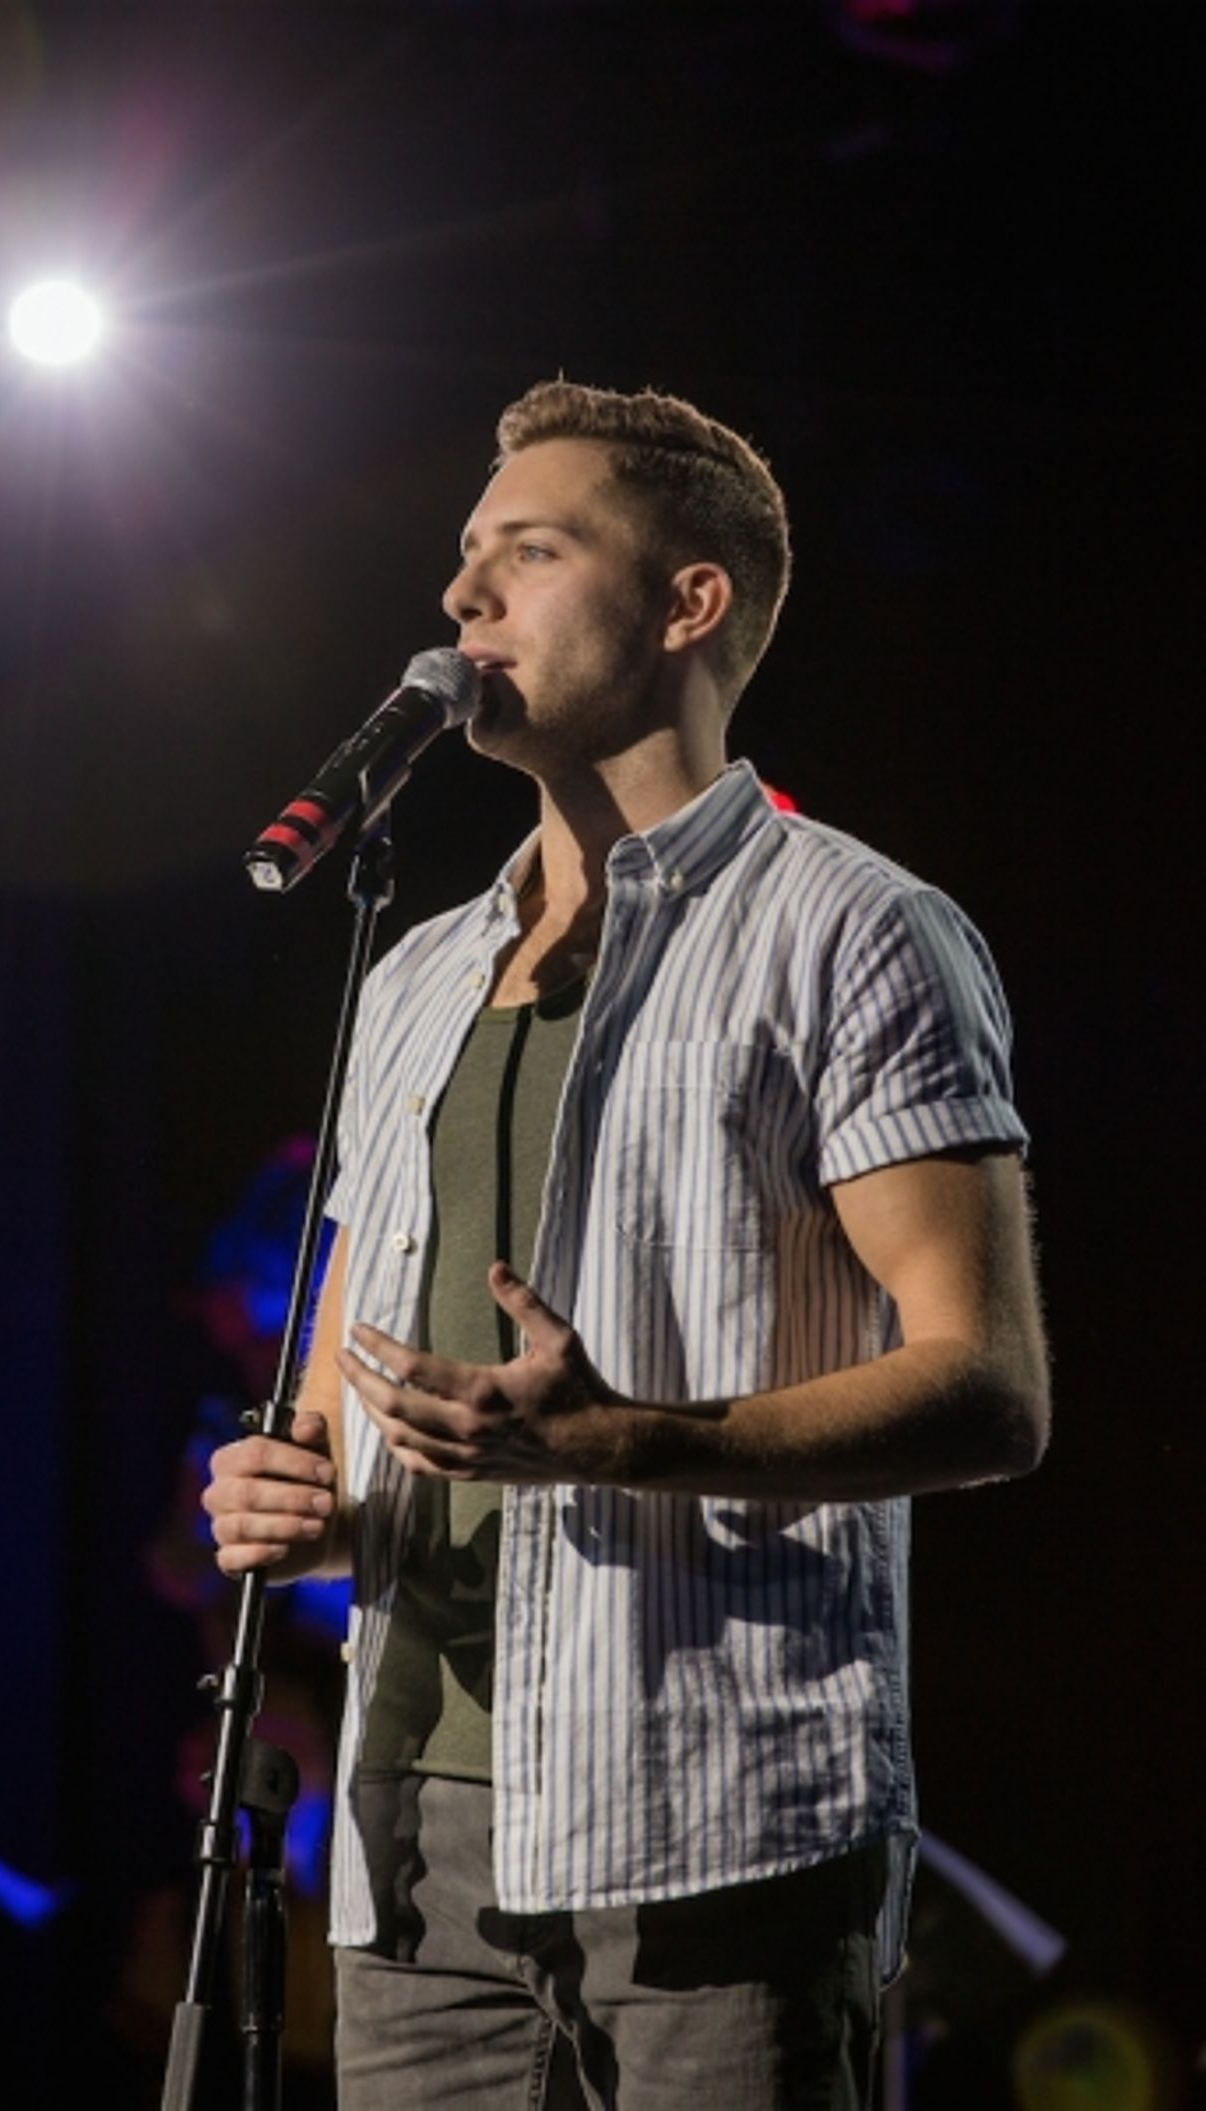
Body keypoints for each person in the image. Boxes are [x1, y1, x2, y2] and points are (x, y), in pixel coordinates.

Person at [202, 380, 1050, 2110]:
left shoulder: (855, 934)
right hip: (413, 1840)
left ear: (689, 604)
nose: (462, 599)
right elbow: (339, 1379)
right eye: (462, 559)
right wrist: (295, 1485)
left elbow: (990, 1387)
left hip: (712, 1824)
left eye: (529, 551)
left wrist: (621, 1443)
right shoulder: (422, 963)